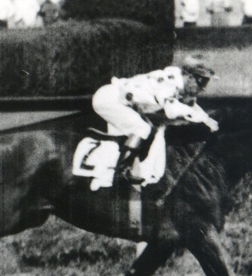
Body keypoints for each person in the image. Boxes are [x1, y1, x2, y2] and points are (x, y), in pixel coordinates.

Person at [91, 60, 221, 185]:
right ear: (190, 77)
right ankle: (123, 170)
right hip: (110, 99)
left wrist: (206, 119)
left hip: (118, 102)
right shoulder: (169, 85)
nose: (203, 88)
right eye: (202, 82)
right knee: (142, 129)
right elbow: (173, 109)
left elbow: (191, 105)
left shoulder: (177, 83)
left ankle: (103, 175)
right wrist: (205, 119)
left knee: (144, 133)